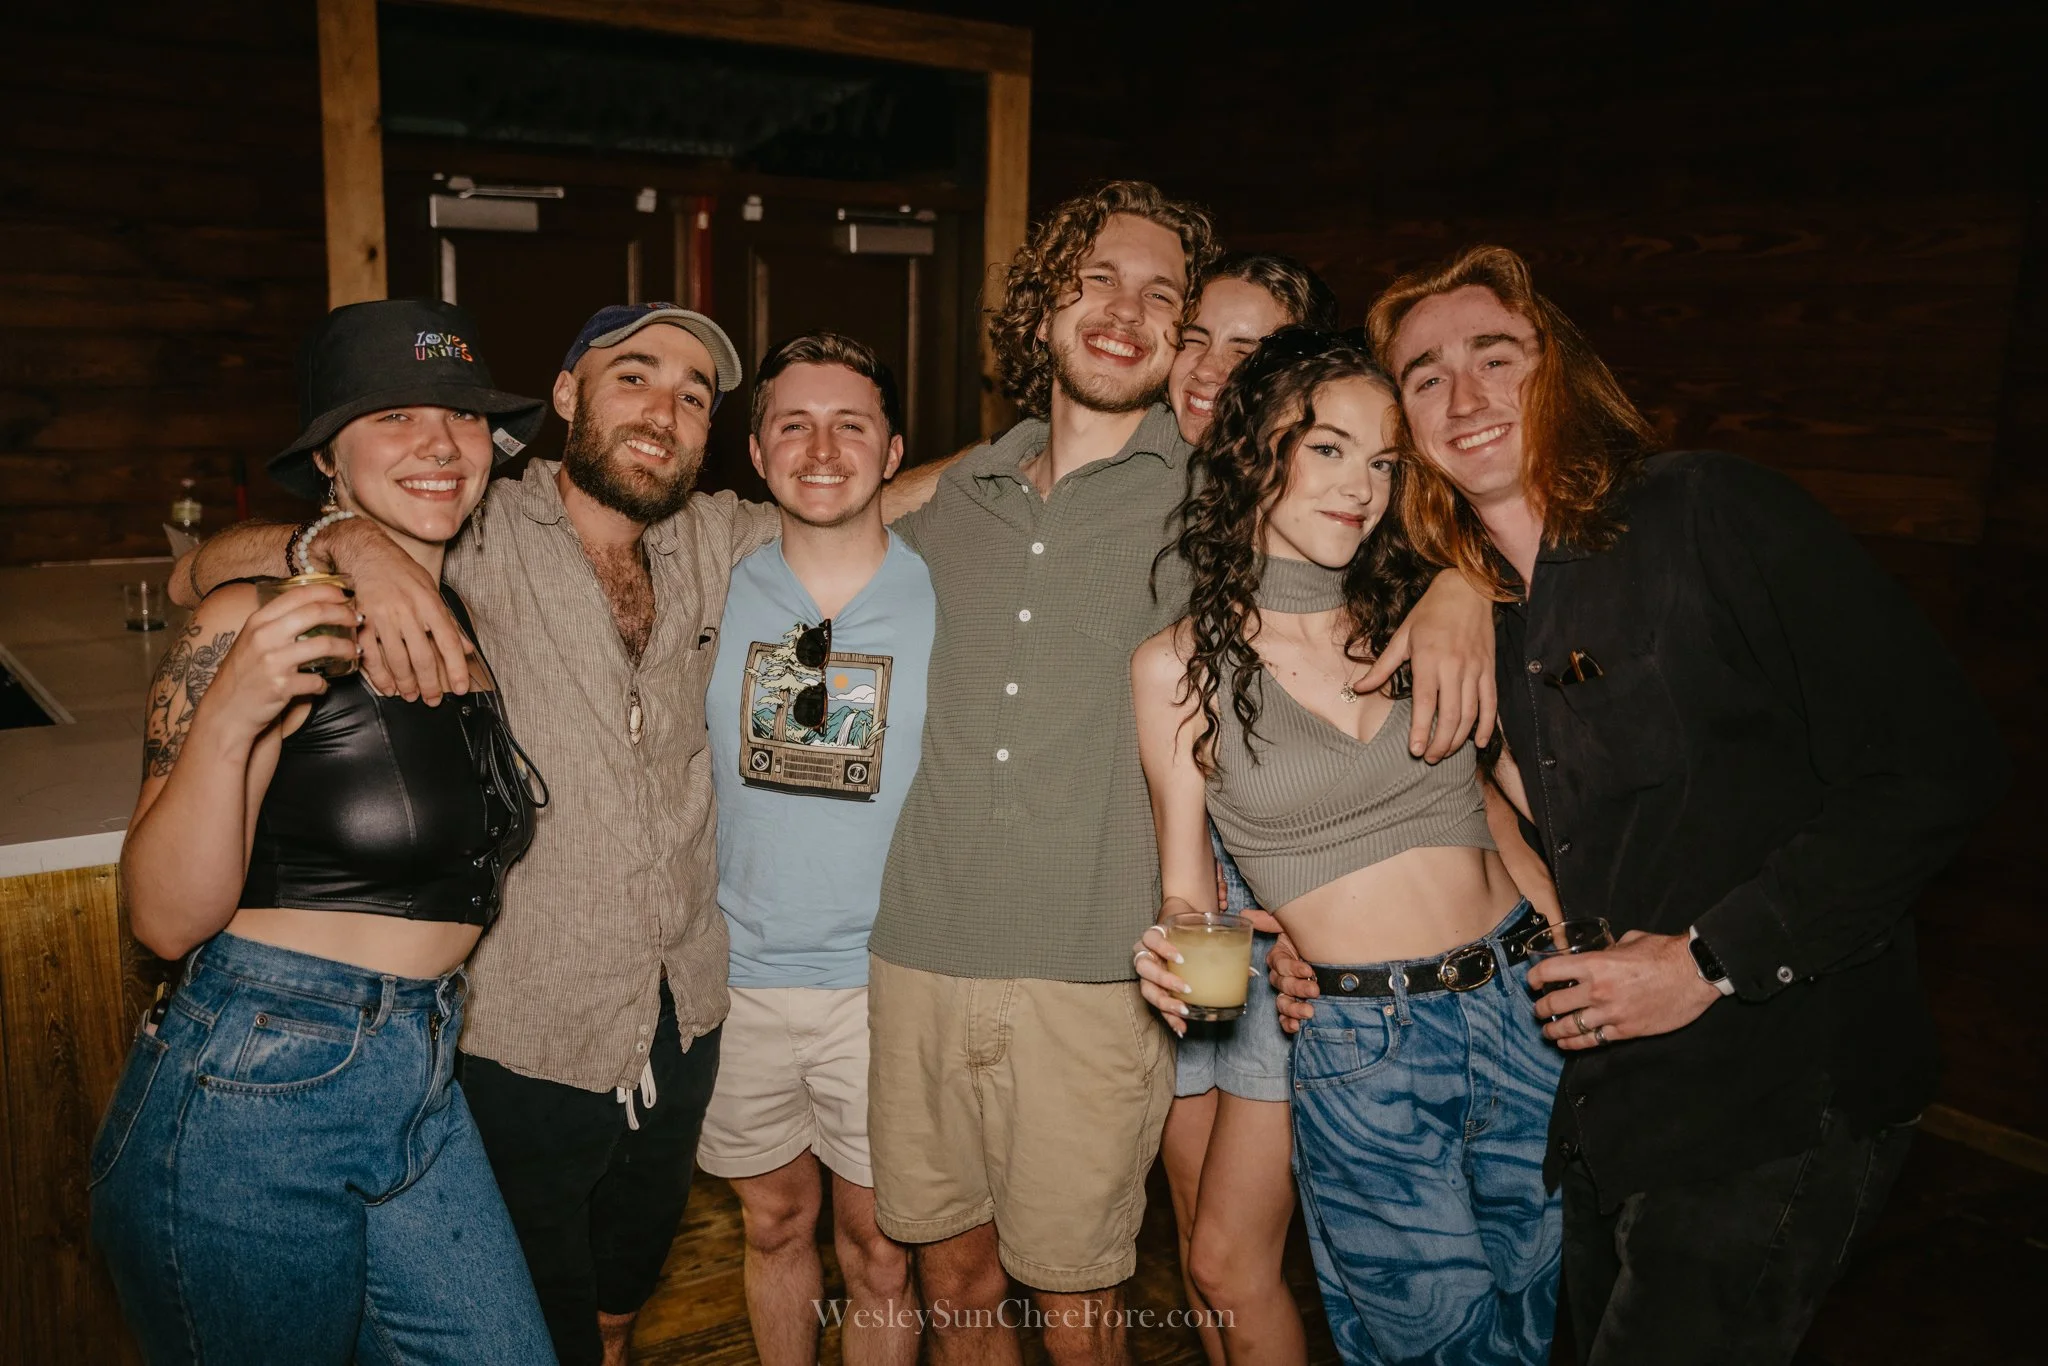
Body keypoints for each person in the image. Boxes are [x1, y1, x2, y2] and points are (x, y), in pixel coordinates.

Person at [1315, 244, 2006, 1365]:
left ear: (1561, 374)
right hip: (1614, 1100)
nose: (1465, 394)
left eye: (1496, 355)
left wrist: (1706, 959)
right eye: (1425, 375)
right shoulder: (1486, 612)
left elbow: (1940, 764)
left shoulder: (1710, 513)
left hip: (1780, 1085)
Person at [865, 180, 1499, 1366]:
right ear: (1041, 302)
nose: (1126, 311)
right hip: (919, 950)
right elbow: (806, 520)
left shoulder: (1228, 494)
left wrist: (1466, 585)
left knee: (1098, 1292)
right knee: (951, 1270)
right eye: (1094, 278)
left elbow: (1409, 519)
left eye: (1164, 296)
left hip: (1105, 968)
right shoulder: (954, 496)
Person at [165, 302, 787, 1366]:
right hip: (523, 1026)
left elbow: (884, 498)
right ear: (563, 397)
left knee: (617, 1302)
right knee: (525, 1323)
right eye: (634, 376)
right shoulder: (473, 516)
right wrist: (345, 537)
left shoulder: (720, 537)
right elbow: (201, 570)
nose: (665, 410)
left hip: (682, 1006)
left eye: (694, 394)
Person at [91, 298, 557, 1364]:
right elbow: (162, 919)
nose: (440, 444)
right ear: (329, 461)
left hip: (424, 1069)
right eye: (394, 416)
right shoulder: (256, 618)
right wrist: (232, 708)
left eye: (464, 417)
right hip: (257, 1085)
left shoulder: (455, 618)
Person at [1132, 327, 1565, 1366]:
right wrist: (1189, 960)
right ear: (1256, 450)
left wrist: (1568, 944)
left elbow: (1521, 804)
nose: (1359, 488)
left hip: (1524, 998)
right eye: (1326, 449)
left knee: (1561, 1316)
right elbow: (1189, 890)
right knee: (1429, 1341)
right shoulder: (1175, 668)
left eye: (1381, 462)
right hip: (1366, 1045)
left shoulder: (1430, 612)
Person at [698, 333, 929, 1366]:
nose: (822, 447)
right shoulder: (707, 583)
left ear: (892, 453)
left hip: (889, 982)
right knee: (774, 1222)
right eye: (793, 422)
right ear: (755, 451)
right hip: (735, 977)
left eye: (851, 424)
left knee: (880, 1247)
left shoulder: (949, 596)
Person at [1158, 251, 1339, 1366]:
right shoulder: (1142, 489)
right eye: (1196, 337)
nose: (1209, 369)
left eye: (1248, 350)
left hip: (1284, 936)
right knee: (1193, 1251)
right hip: (1182, 933)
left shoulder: (1328, 514)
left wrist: (1462, 597)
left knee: (1234, 1261)